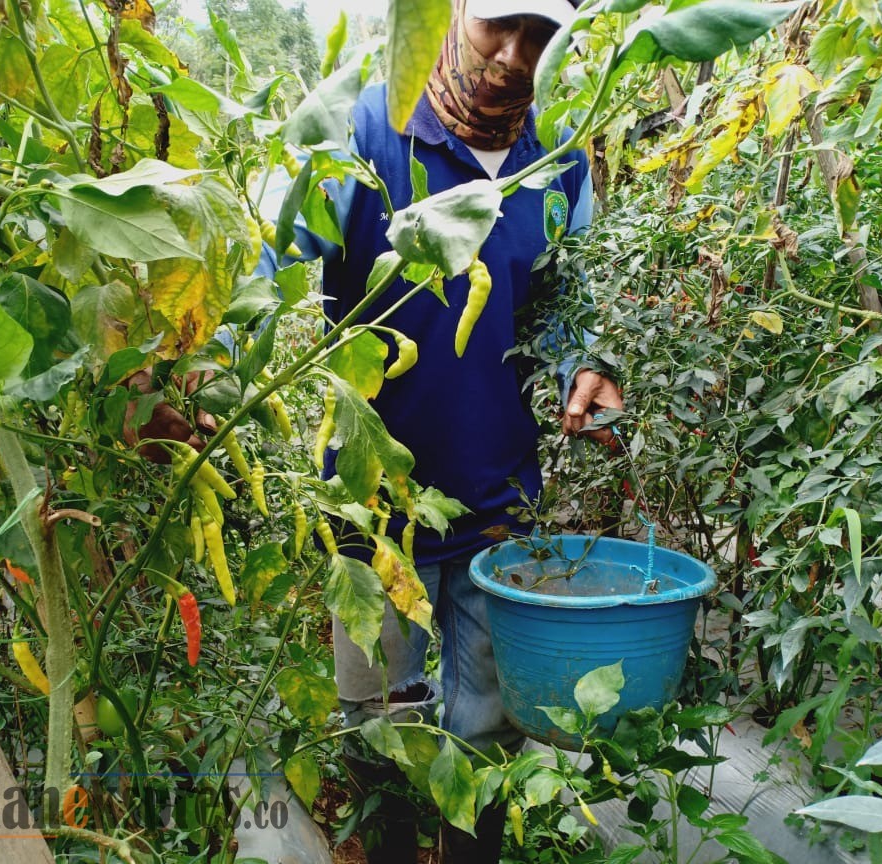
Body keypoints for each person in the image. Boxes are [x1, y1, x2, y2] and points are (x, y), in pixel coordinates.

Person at [255, 1, 623, 861]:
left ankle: (473, 853)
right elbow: (272, 271)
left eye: (542, 37)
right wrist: (211, 363)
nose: (515, 55)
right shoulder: (364, 125)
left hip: (499, 492)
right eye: (501, 24)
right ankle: (385, 848)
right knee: (376, 714)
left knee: (487, 721)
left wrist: (589, 363)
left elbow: (571, 291)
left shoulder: (559, 155)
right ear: (456, 13)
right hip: (371, 496)